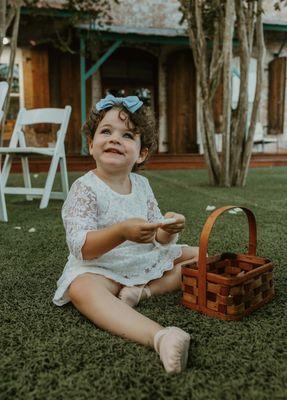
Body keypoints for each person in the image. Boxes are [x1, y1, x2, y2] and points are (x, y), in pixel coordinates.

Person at [53, 94, 199, 374]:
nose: (114, 139)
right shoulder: (85, 188)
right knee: (81, 288)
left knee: (203, 257)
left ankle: (144, 292)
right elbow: (81, 247)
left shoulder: (142, 185)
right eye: (105, 131)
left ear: (141, 153)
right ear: (91, 145)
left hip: (143, 258)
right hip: (102, 267)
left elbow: (158, 238)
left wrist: (167, 228)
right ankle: (161, 336)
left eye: (127, 135)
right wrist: (121, 232)